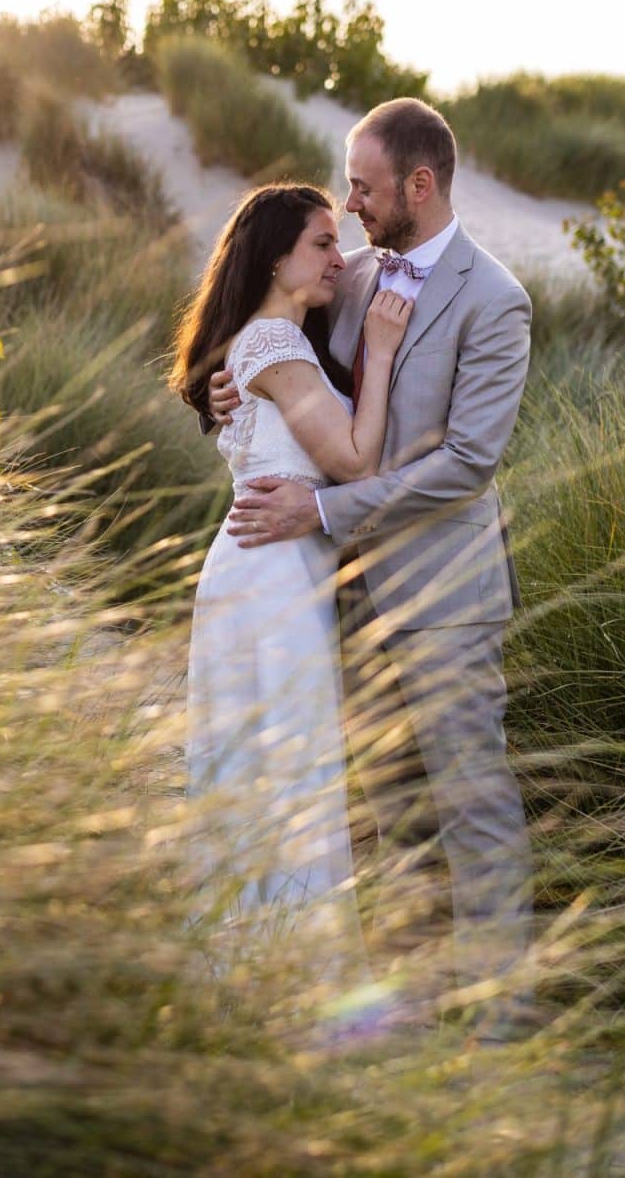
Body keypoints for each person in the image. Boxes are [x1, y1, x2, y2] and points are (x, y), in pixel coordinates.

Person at [210, 98, 535, 1041]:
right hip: (344, 594)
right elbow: (280, 360)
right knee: (391, 807)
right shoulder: (345, 278)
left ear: (418, 186)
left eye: (363, 186)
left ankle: (501, 1020)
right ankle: (414, 998)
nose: (349, 204)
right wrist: (231, 387)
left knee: (472, 802)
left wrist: (321, 511)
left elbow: (467, 464)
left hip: (446, 597)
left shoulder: (495, 300)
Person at [172, 182, 414, 1015]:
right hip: (269, 582)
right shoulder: (274, 340)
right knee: (291, 770)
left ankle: (251, 973)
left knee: (262, 769)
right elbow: (352, 461)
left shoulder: (270, 342)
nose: (338, 257)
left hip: (264, 575)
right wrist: (381, 351)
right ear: (276, 258)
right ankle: (300, 985)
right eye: (321, 242)